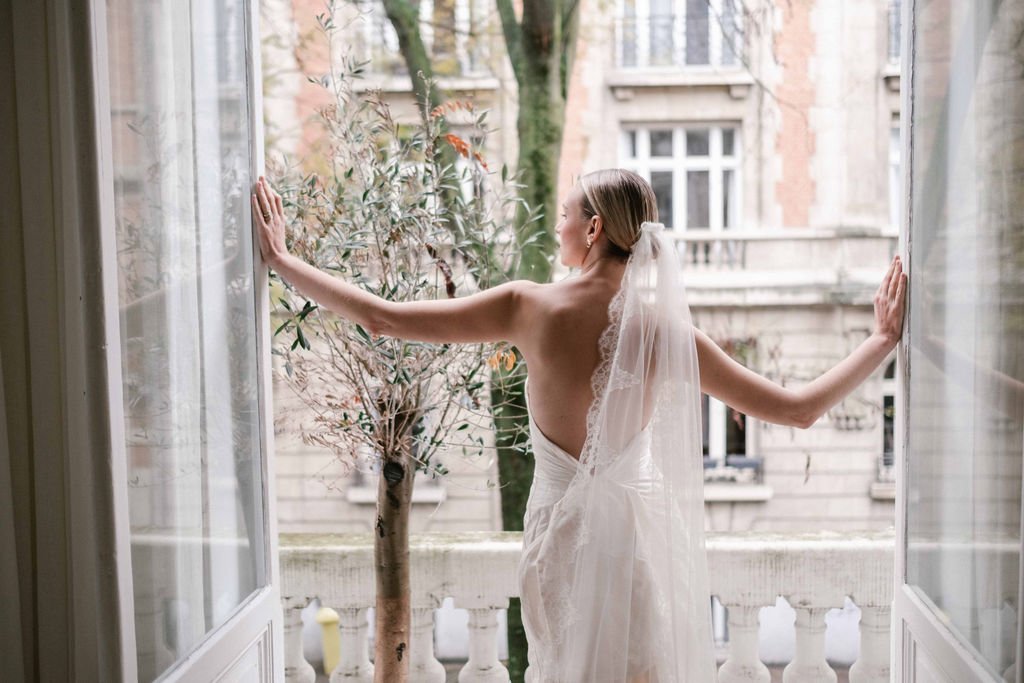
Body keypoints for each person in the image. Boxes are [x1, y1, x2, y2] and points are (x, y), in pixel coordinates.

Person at [253, 169, 907, 682]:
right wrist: (879, 341)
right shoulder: (665, 333)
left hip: (555, 547)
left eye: (566, 215)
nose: (557, 228)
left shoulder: (527, 306)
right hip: (633, 549)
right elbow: (799, 408)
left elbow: (383, 317)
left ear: (593, 228)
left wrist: (284, 261)